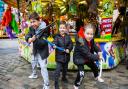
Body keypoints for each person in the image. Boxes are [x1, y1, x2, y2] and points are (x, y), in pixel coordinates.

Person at [73, 23, 104, 89]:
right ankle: (76, 84)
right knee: (81, 73)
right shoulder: (80, 41)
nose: (90, 36)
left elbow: (94, 46)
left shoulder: (91, 39)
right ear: (84, 32)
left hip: (87, 58)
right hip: (79, 58)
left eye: (91, 34)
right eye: (88, 34)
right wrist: (98, 57)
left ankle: (97, 76)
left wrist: (99, 51)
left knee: (95, 67)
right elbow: (87, 54)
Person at [25, 12, 49, 89]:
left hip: (42, 51)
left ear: (39, 20)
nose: (32, 24)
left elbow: (44, 42)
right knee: (33, 62)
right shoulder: (32, 28)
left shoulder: (45, 29)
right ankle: (34, 74)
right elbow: (28, 34)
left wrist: (35, 40)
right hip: (35, 49)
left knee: (43, 67)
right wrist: (29, 38)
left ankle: (47, 85)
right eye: (31, 22)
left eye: (34, 21)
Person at [53, 21, 73, 89]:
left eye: (63, 28)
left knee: (65, 70)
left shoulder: (68, 37)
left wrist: (68, 49)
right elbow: (54, 43)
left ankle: (64, 78)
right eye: (61, 28)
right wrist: (54, 45)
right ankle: (56, 83)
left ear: (66, 29)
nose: (62, 29)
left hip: (66, 57)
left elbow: (71, 44)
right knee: (57, 71)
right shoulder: (57, 37)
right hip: (59, 57)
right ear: (59, 29)